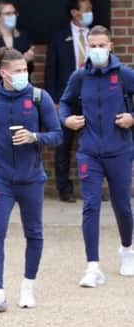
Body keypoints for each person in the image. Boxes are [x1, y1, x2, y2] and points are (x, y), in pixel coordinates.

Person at [0, 48, 62, 313]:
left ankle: (27, 286)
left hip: (32, 178)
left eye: (26, 70)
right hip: (0, 178)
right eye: (19, 71)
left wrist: (35, 137)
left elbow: (57, 135)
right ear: (3, 73)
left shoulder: (38, 97)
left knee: (34, 232)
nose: (24, 75)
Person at [59, 25, 134, 286]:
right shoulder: (79, 77)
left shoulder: (124, 75)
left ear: (111, 46)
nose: (98, 50)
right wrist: (66, 119)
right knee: (90, 205)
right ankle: (92, 266)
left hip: (120, 151)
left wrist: (131, 118)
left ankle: (127, 249)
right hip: (89, 151)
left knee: (122, 205)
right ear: (87, 48)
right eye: (93, 46)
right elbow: (66, 102)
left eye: (102, 45)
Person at [45, 0, 94, 202]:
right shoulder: (59, 38)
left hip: (92, 98)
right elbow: (51, 71)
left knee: (92, 145)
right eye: (86, 10)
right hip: (67, 99)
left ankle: (92, 188)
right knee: (63, 145)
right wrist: (54, 100)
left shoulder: (96, 36)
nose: (90, 13)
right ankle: (64, 189)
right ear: (75, 12)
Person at [0, 1, 35, 87]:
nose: (12, 16)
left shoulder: (22, 37)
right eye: (8, 13)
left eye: (14, 13)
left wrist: (30, 59)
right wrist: (23, 60)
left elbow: (30, 69)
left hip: (22, 88)